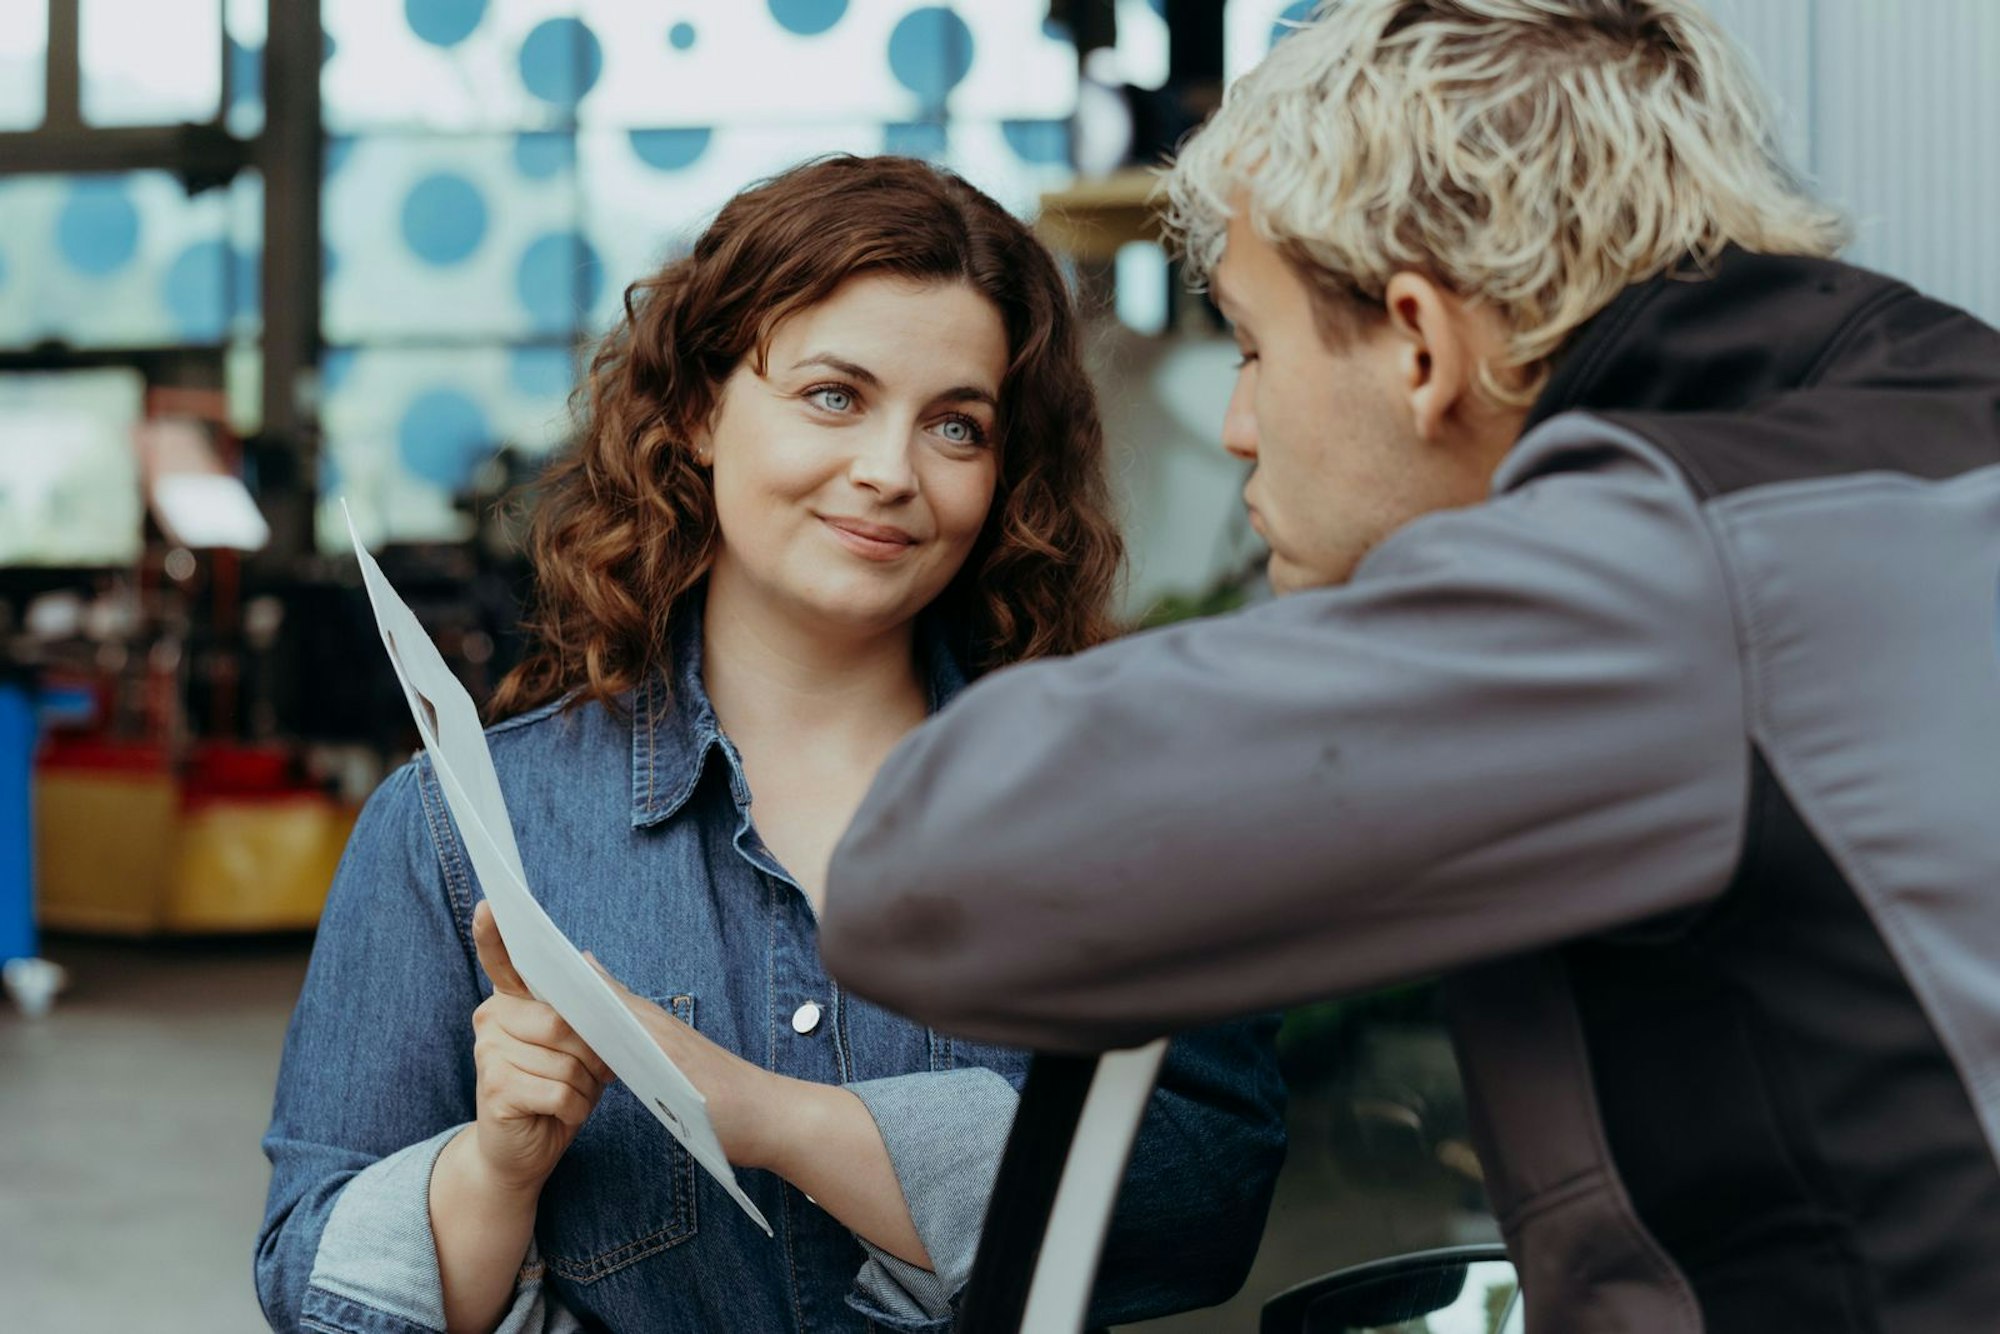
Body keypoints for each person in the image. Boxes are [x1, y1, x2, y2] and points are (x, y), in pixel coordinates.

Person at [820, 4, 2000, 1332]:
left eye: (1257, 346)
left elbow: (929, 872)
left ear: (1422, 346)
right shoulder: (1932, 429)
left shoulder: (1662, 576)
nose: (1237, 423)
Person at [256, 154, 1286, 1334]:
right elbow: (313, 1278)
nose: (889, 473)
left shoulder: (1108, 807)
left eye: (956, 425)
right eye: (834, 396)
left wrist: (764, 1114)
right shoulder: (457, 830)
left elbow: (1202, 1193)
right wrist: (496, 1165)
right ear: (697, 411)